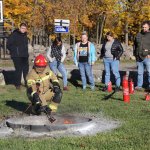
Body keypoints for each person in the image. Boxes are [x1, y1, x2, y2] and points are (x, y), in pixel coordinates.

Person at [7, 23, 29, 89]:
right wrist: (15, 51)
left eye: (25, 28)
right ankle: (17, 84)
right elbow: (8, 45)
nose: (23, 30)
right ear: (19, 28)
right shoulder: (14, 35)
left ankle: (27, 83)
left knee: (26, 69)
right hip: (16, 56)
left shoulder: (25, 35)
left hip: (24, 55)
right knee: (18, 70)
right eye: (22, 28)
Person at [134, 20, 150, 91]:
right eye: (143, 27)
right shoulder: (138, 35)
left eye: (145, 27)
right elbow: (134, 45)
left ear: (149, 27)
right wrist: (135, 54)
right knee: (140, 73)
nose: (144, 28)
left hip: (147, 57)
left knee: (149, 72)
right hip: (138, 57)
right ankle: (139, 86)